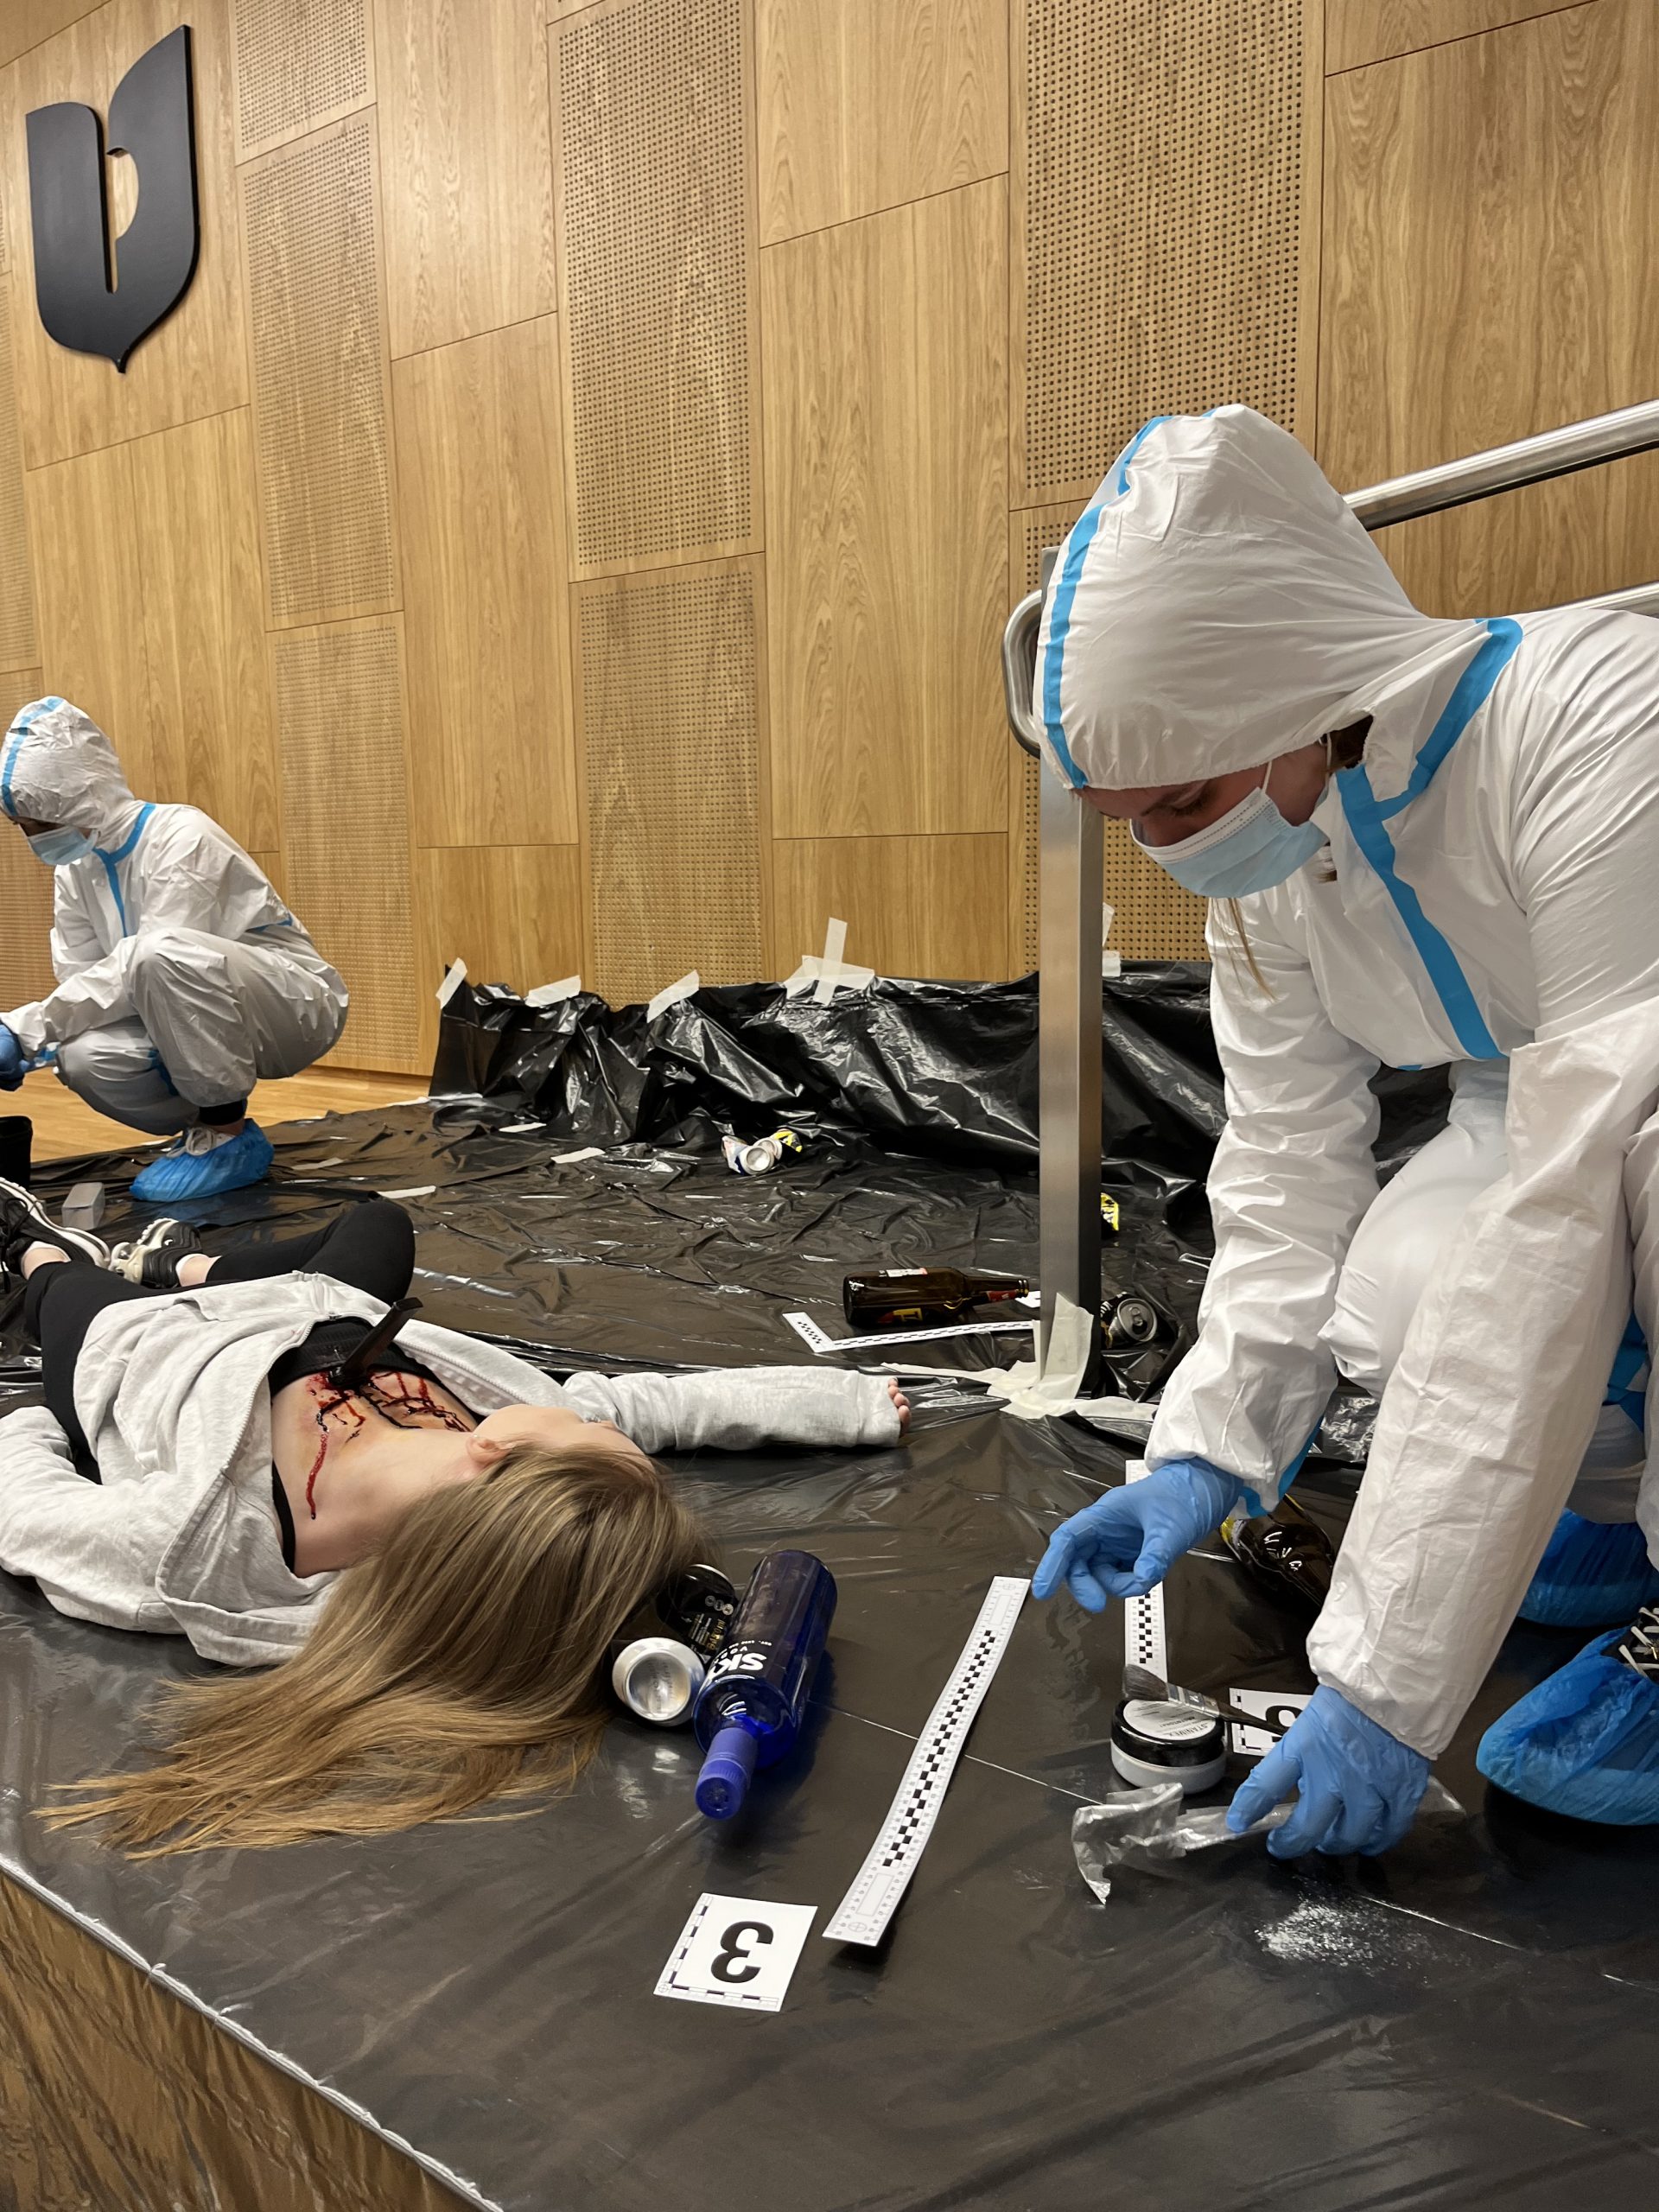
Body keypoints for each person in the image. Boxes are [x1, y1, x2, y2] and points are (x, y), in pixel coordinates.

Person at [1028, 404, 1659, 1847]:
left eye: (1186, 800)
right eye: (1132, 820)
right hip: (1540, 1107)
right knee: (1402, 1297)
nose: (1174, 848)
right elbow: (1284, 1166)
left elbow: (1576, 1195)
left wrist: (1383, 1682)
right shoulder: (1282, 836)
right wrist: (1206, 1450)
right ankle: (1618, 1520)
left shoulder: (1598, 715)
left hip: (1638, 1109)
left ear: (1295, 675)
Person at [0, 1189, 907, 1852]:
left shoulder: (199, 1543)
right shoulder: (506, 1463)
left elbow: (25, 1510)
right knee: (379, 1225)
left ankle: (47, 1260)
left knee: (63, 1285)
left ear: (497, 1453)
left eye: (592, 1434)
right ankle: (186, 1264)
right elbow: (650, 1405)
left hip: (146, 1344)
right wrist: (848, 1404)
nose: (595, 1418)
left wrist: (48, 1422)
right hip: (325, 1308)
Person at [0, 697, 347, 1199]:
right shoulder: (76, 869)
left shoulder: (181, 836)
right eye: (23, 827)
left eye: (41, 821)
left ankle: (225, 1129)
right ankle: (205, 1134)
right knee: (81, 1057)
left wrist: (25, 1029)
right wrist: (40, 1047)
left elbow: (153, 962)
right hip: (181, 1017)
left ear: (80, 795)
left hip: (289, 1007)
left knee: (157, 953)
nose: (34, 837)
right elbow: (83, 979)